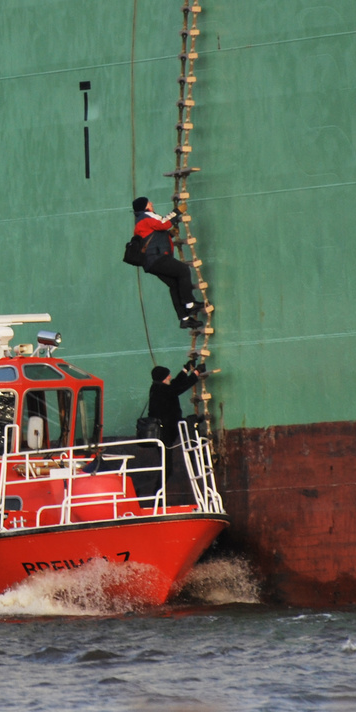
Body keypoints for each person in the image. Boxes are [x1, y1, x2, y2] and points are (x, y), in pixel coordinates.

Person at [132, 197, 204, 328]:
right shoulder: (146, 217)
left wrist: (169, 235)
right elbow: (163, 223)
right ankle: (190, 304)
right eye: (149, 202)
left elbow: (153, 238)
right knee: (183, 270)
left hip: (151, 262)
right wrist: (177, 211)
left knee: (175, 285)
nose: (152, 203)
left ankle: (184, 318)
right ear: (145, 206)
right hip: (157, 258)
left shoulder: (140, 222)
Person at [145, 354, 205, 503]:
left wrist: (185, 370)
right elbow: (179, 388)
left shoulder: (158, 388)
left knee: (167, 466)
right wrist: (195, 374)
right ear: (164, 378)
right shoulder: (162, 390)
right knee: (168, 467)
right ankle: (156, 498)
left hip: (167, 431)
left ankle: (156, 497)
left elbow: (175, 385)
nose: (170, 376)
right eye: (168, 375)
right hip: (165, 433)